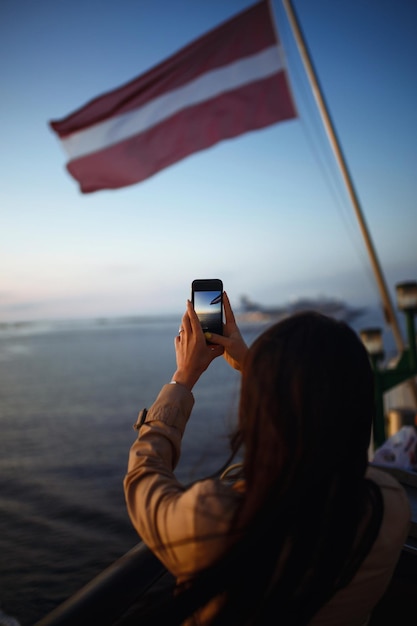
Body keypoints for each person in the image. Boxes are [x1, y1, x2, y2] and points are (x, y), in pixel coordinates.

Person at [123, 292, 411, 626]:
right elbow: (314, 415)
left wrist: (182, 378)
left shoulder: (215, 520)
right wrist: (251, 361)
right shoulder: (387, 507)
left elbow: (144, 478)